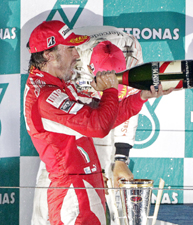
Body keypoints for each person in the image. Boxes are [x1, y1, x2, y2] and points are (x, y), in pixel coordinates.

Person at [24, 20, 172, 225]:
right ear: (49, 55)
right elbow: (100, 126)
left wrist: (141, 97)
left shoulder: (58, 85)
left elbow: (104, 116)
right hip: (73, 190)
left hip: (83, 185)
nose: (76, 54)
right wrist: (110, 89)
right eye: (70, 49)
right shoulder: (46, 97)